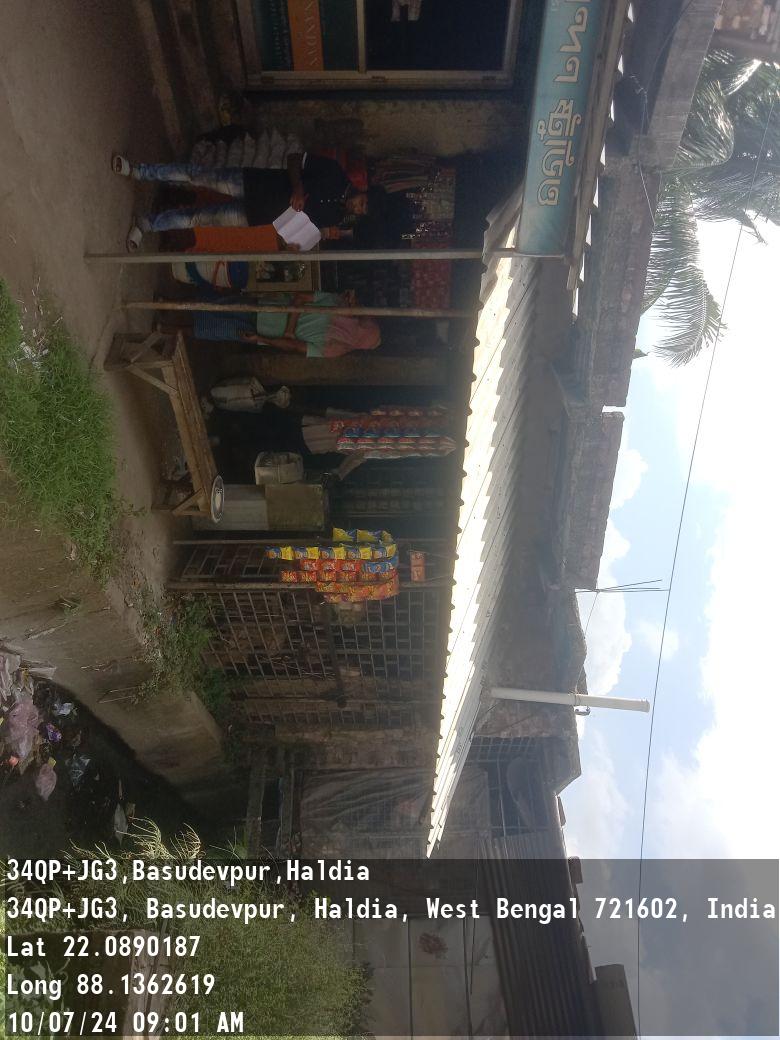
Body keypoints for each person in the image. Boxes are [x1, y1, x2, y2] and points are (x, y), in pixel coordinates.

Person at [112, 152, 381, 251]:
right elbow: (294, 158)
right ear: (362, 191)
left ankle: (147, 224)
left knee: (198, 218)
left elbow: (300, 228)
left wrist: (294, 241)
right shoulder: (334, 171)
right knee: (197, 176)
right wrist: (298, 187)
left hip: (257, 216)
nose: (358, 208)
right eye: (363, 203)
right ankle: (139, 171)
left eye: (362, 211)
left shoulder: (335, 217)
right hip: (255, 183)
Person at [193, 291, 381, 359]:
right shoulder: (336, 349)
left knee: (216, 305)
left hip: (264, 308)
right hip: (261, 328)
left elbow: (299, 298)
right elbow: (294, 346)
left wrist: (289, 330)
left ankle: (178, 306)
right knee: (213, 329)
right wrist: (262, 338)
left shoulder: (337, 304)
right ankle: (175, 324)